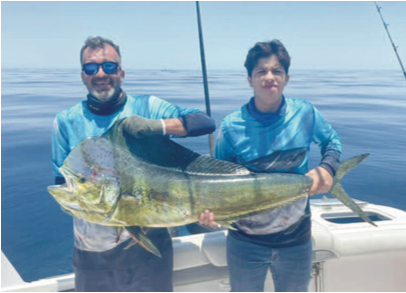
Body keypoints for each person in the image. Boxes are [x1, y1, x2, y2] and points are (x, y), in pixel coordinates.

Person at [52, 36, 215, 292]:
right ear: (83, 76)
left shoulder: (147, 107)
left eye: (109, 66)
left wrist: (157, 126)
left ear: (122, 72)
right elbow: (62, 184)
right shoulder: (65, 121)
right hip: (92, 253)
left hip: (149, 247)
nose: (101, 73)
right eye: (91, 68)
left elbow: (204, 122)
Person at [199, 39, 341, 292]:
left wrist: (328, 168)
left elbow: (332, 142)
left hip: (296, 241)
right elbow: (216, 180)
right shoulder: (231, 127)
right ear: (250, 80)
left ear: (287, 78)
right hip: (245, 244)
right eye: (261, 71)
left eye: (276, 71)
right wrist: (212, 213)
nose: (269, 77)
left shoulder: (306, 114)